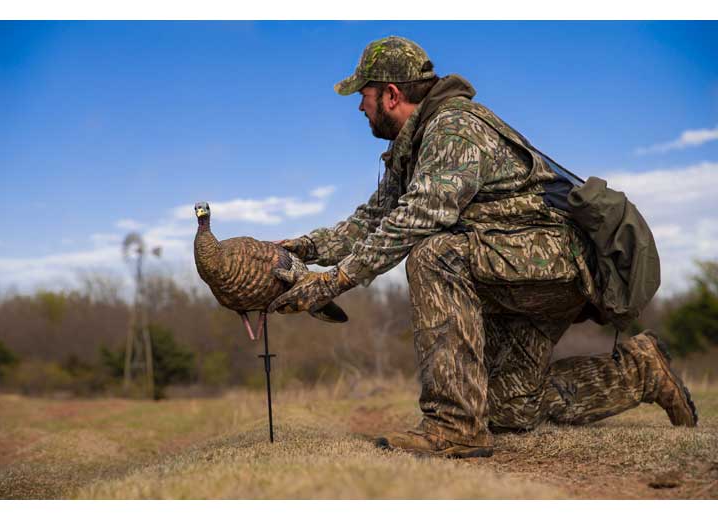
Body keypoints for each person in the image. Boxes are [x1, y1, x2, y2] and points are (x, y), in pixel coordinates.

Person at [268, 36, 697, 458]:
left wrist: (335, 282)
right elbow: (372, 220)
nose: (360, 106)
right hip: (511, 269)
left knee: (434, 254)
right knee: (509, 407)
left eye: (364, 95)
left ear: (391, 94)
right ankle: (639, 372)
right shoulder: (413, 148)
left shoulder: (454, 128)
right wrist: (301, 249)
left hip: (549, 261)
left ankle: (453, 426)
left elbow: (417, 218)